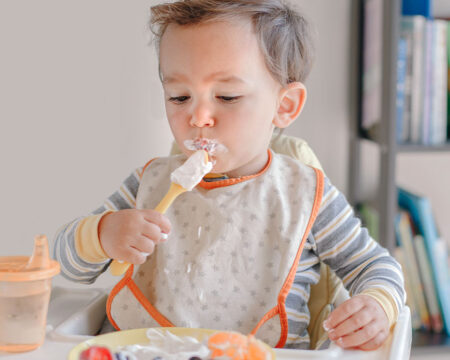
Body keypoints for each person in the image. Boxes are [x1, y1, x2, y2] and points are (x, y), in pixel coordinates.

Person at [54, 0, 405, 351]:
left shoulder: (306, 194)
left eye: (227, 96)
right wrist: (102, 234)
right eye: (179, 97)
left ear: (284, 106)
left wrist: (377, 305)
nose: (199, 116)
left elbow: (373, 265)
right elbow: (67, 264)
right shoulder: (149, 183)